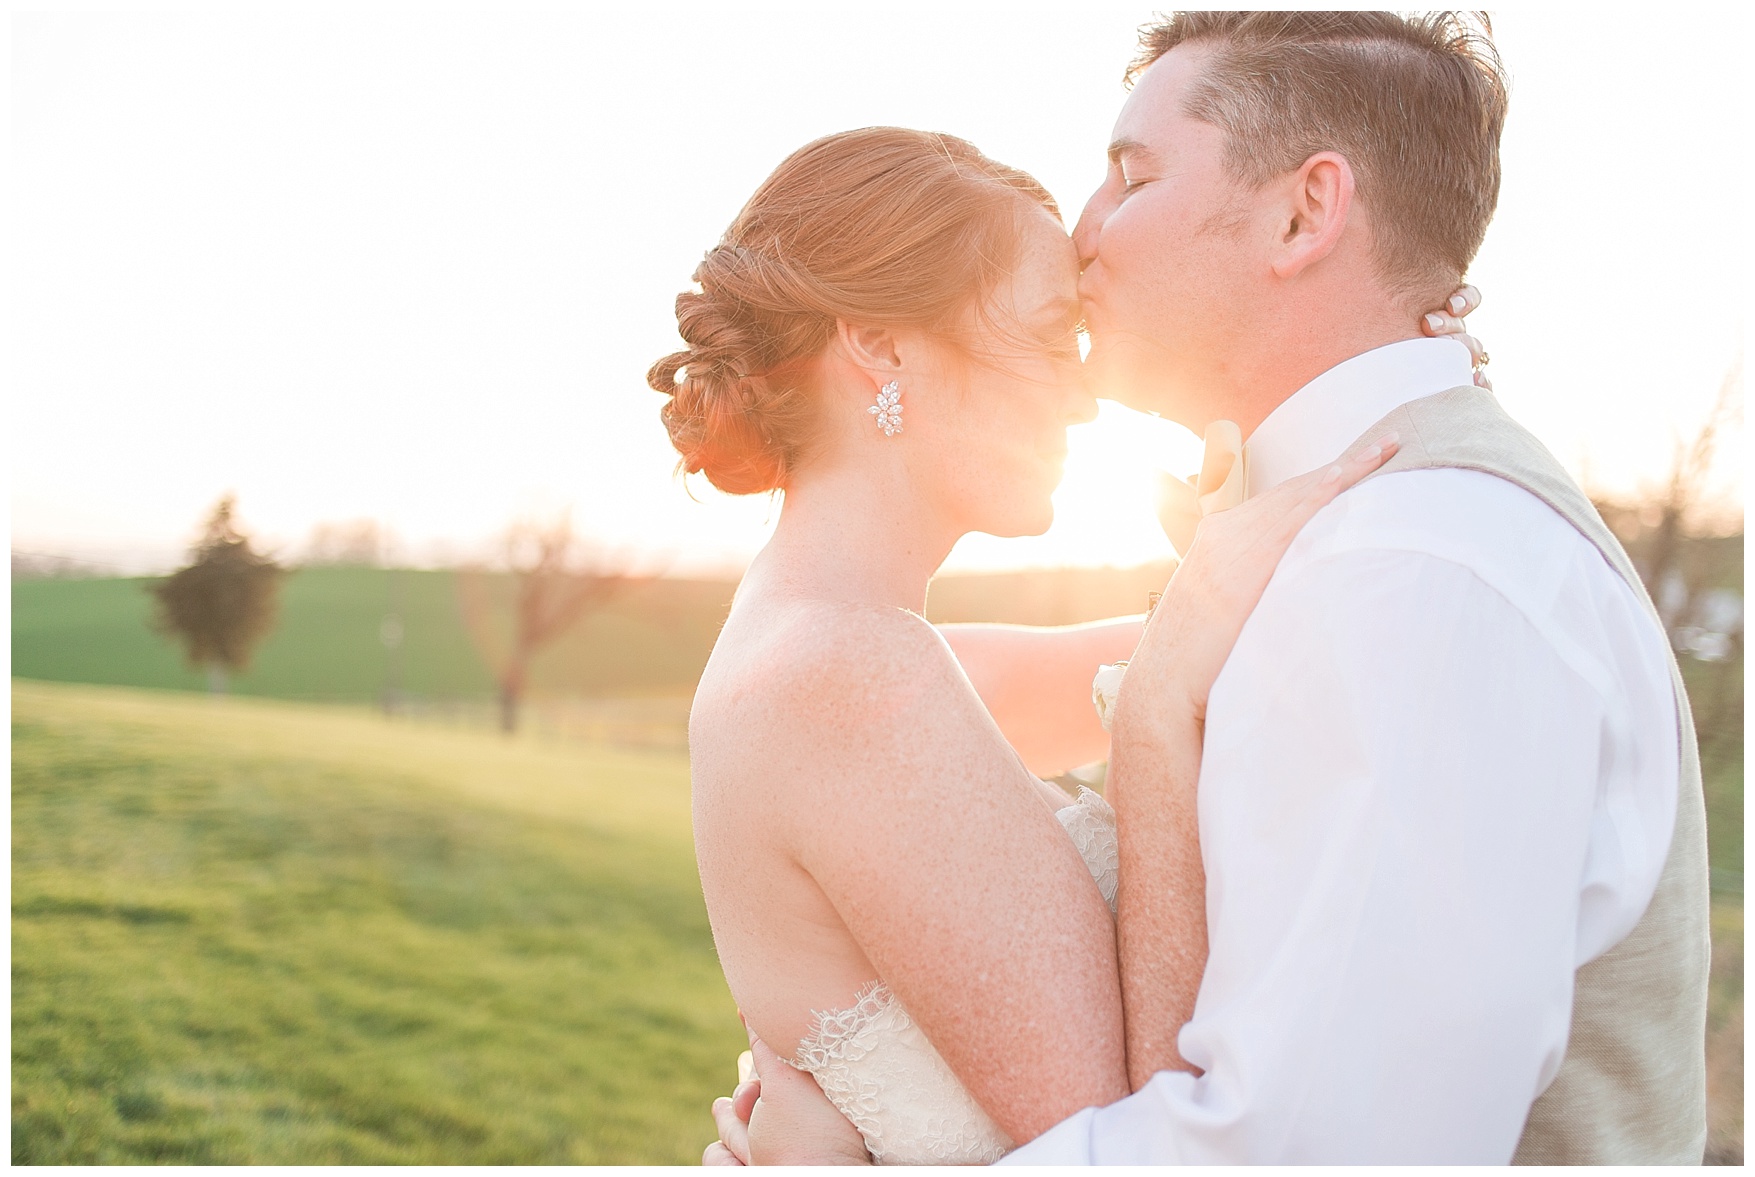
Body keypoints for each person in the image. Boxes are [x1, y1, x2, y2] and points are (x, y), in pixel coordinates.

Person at [704, 12, 1707, 1166]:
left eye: (1131, 178)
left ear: (1301, 212)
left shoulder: (1412, 571)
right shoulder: (1344, 553)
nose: (1085, 235)